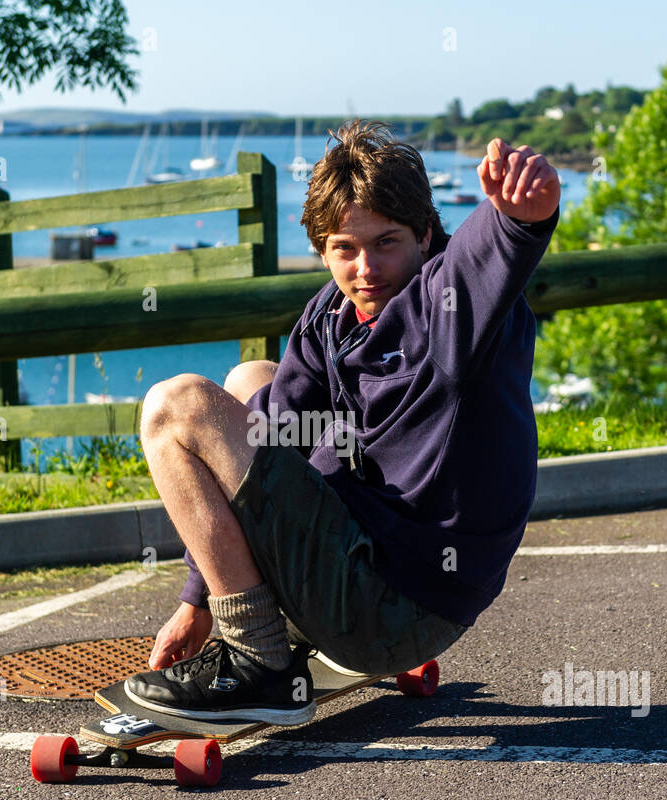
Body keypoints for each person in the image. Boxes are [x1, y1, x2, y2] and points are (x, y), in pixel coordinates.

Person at [125, 119, 560, 724]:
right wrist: (198, 599)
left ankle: (258, 662)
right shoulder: (334, 316)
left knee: (175, 407)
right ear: (321, 248)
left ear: (426, 233)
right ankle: (264, 621)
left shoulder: (452, 307)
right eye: (344, 250)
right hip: (379, 574)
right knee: (251, 380)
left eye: (387, 242)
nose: (366, 269)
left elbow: (487, 253)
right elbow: (275, 429)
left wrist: (521, 217)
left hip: (402, 602)